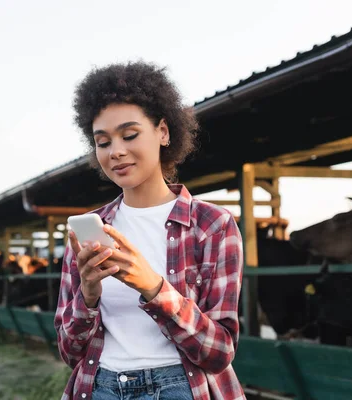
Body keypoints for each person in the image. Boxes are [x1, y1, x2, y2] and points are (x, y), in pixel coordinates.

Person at [54, 61, 245, 400]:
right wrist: (88, 296)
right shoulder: (89, 232)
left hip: (182, 387)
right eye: (103, 142)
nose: (116, 152)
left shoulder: (212, 226)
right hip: (101, 387)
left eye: (129, 135)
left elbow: (219, 352)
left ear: (163, 132)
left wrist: (153, 287)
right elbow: (70, 352)